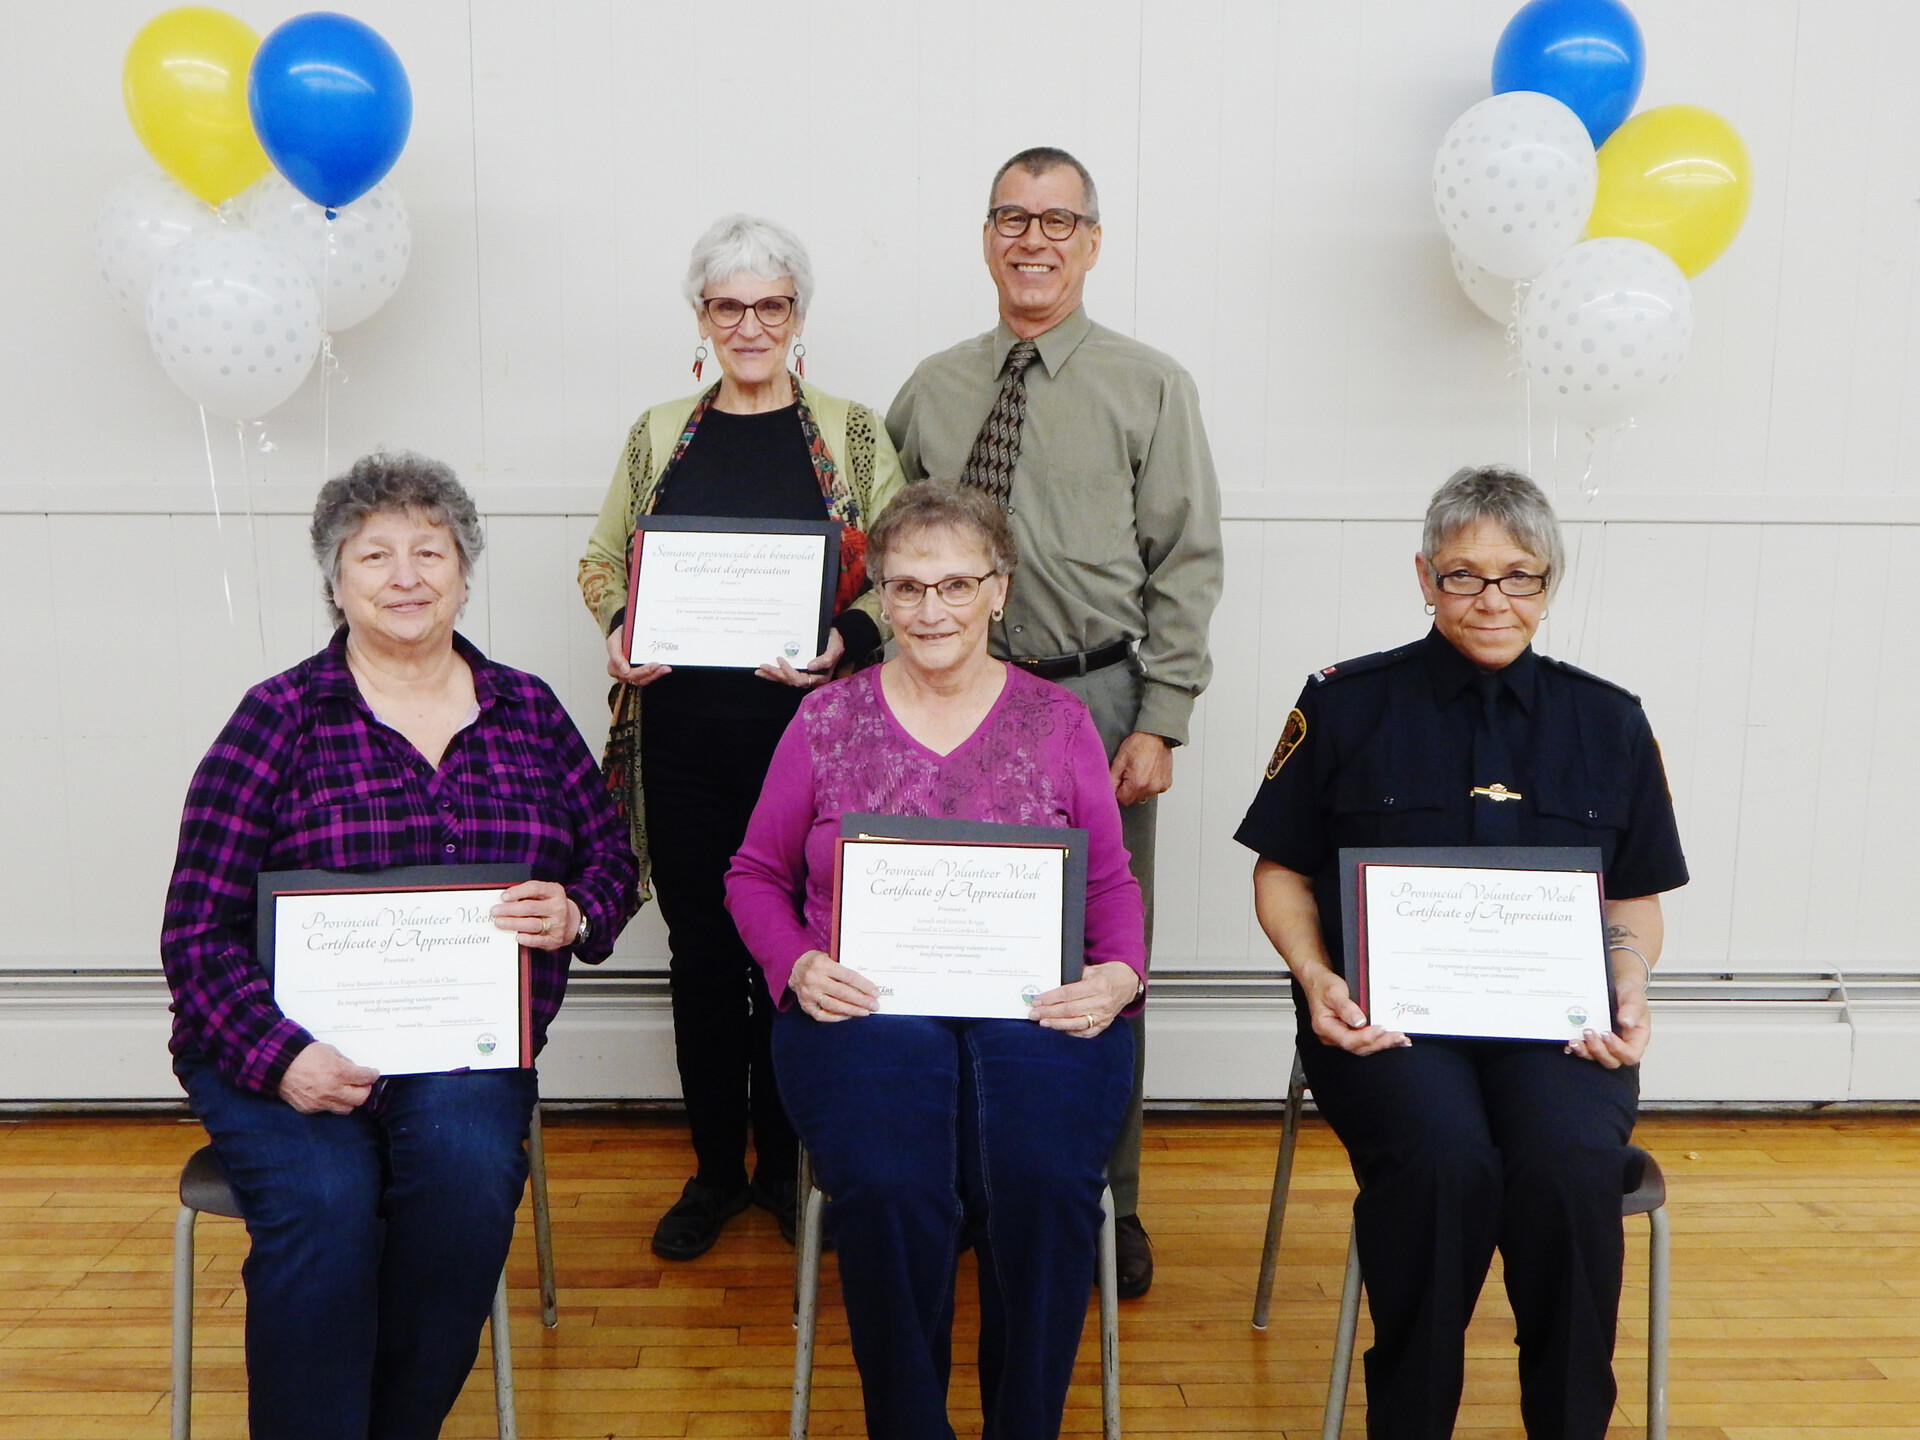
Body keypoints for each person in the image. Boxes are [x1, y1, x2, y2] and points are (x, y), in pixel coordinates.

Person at [160, 453, 639, 1440]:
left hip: (459, 1049)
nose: (406, 574)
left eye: (431, 550)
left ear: (465, 570)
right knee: (328, 1204)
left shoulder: (528, 711)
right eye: (374, 554)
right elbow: (196, 933)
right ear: (336, 582)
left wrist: (578, 913)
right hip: (283, 1045)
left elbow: (610, 861)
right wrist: (281, 1058)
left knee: (466, 1181)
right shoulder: (276, 719)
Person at [1234, 466, 1688, 1439]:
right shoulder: (1345, 705)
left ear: (1550, 582)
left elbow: (1637, 898)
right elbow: (1279, 873)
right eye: (1464, 575)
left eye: (1519, 576)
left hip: (1557, 1027)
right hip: (1386, 1023)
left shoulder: (1609, 721)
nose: (1493, 600)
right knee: (1444, 1165)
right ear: (1424, 577)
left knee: (1567, 1166)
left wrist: (1631, 983)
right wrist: (1316, 981)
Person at [725, 480, 1145, 1440]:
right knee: (891, 1185)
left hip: (1038, 1003)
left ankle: (1023, 1426)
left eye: (957, 585)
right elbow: (752, 875)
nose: (931, 610)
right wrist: (795, 963)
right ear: (880, 595)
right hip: (862, 1007)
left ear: (999, 590)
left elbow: (1113, 887)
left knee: (1044, 1183)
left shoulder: (1059, 721)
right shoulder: (827, 722)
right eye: (908, 588)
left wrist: (1119, 975)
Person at [885, 146, 1222, 1296]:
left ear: (1092, 241)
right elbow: (887, 556)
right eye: (1012, 219)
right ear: (986, 236)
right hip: (952, 705)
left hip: (1094, 697)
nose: (1034, 241)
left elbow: (1188, 559)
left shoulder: (1151, 384)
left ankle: (1105, 1195)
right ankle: (974, 1180)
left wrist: (1161, 716)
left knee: (1105, 955)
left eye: (1058, 222)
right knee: (955, 941)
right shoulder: (932, 388)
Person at [577, 214, 905, 1260]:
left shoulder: (853, 434)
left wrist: (847, 639)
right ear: (702, 318)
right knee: (701, 956)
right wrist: (622, 628)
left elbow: (905, 575)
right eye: (730, 306)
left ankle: (792, 1167)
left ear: (798, 317)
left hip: (818, 748)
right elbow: (597, 564)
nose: (750, 324)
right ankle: (718, 1171)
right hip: (681, 749)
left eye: (771, 305)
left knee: (803, 955)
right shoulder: (659, 433)